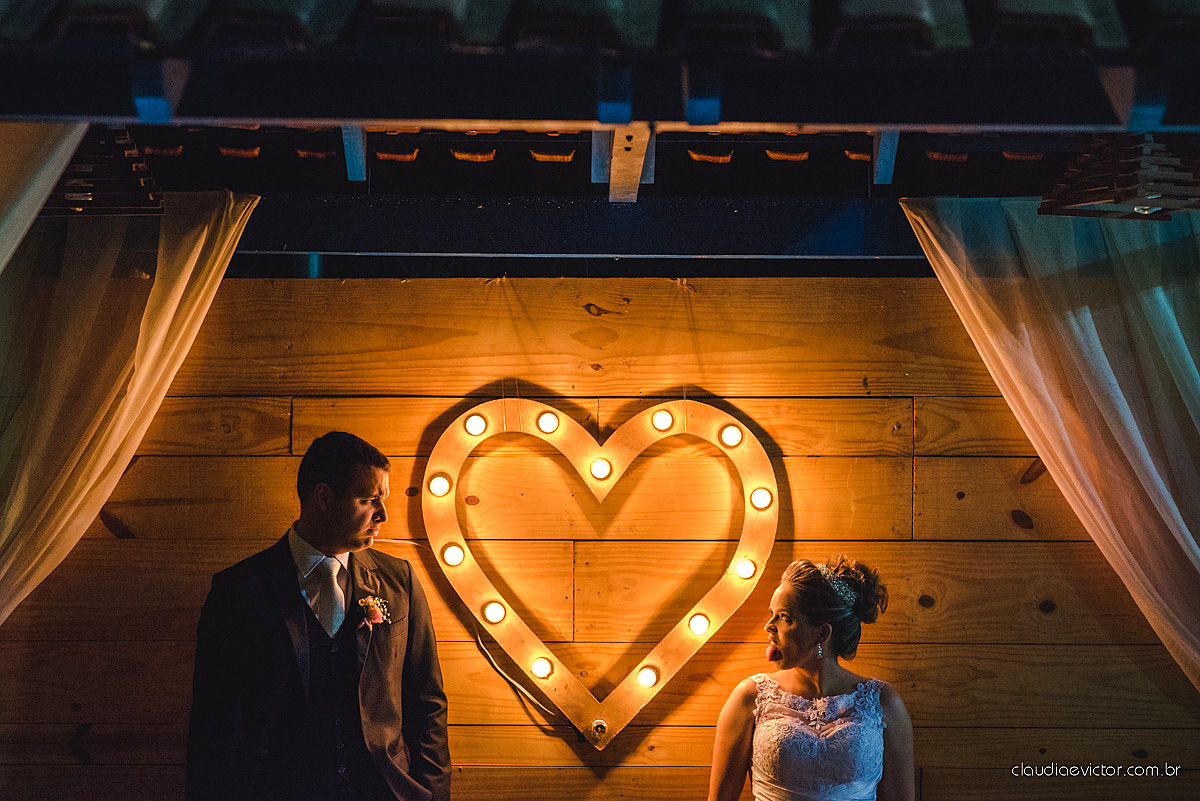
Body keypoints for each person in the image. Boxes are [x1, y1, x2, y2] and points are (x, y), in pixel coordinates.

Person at [187, 431, 450, 801]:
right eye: (368, 500)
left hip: (385, 791)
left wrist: (434, 794)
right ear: (324, 497)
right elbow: (212, 721)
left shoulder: (400, 581)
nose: (383, 515)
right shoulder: (239, 590)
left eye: (383, 500)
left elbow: (427, 702)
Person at [707, 556, 914, 801]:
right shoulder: (749, 698)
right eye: (772, 614)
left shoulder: (884, 703)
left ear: (822, 633)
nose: (768, 626)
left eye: (785, 617)